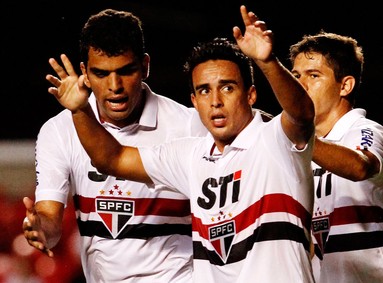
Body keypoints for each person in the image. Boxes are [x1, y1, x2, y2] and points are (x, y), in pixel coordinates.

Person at [43, 5, 316, 283]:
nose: (216, 101)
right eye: (204, 91)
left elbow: (302, 115)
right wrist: (80, 110)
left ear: (251, 95)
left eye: (227, 87)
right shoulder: (190, 156)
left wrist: (267, 62)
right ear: (194, 102)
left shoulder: (274, 142)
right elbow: (110, 158)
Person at [22, 8, 207, 282]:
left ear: (145, 66)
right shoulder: (59, 130)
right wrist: (39, 229)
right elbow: (50, 220)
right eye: (101, 73)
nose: (114, 85)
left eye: (126, 71)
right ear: (84, 72)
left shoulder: (190, 126)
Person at [289, 31, 383, 282]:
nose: (300, 85)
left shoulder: (365, 131)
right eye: (295, 77)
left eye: (313, 75)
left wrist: (297, 138)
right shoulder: (294, 151)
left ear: (345, 85)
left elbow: (359, 166)